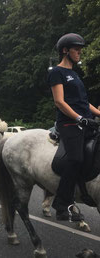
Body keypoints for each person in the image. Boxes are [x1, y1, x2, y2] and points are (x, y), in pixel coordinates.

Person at [48, 33, 100, 222]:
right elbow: (60, 102)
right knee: (76, 159)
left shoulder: (75, 75)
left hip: (85, 121)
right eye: (76, 49)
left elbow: (84, 104)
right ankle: (61, 204)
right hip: (69, 123)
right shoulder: (56, 72)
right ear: (65, 51)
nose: (79, 52)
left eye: (80, 49)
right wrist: (79, 118)